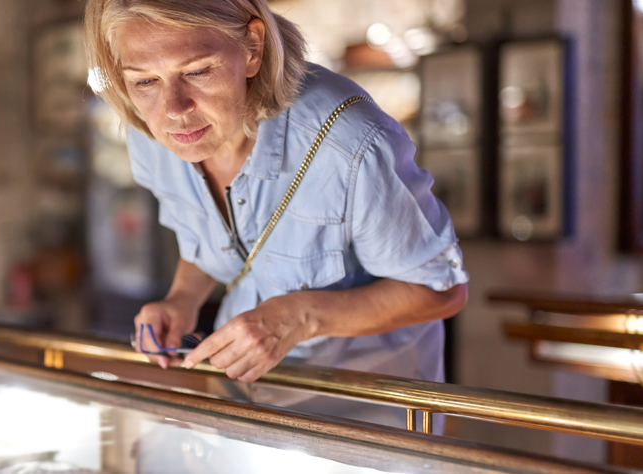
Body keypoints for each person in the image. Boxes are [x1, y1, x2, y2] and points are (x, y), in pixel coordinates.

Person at [84, 0, 469, 426]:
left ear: (252, 46)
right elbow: (211, 235)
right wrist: (182, 299)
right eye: (144, 81)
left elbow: (441, 290)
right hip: (245, 407)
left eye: (197, 71)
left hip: (364, 420)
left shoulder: (351, 142)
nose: (173, 108)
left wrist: (299, 317)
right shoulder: (153, 134)